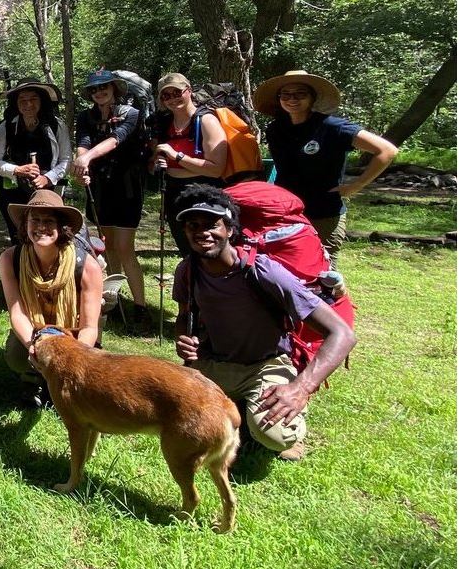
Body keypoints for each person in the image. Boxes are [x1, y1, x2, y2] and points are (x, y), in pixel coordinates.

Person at [172, 185, 355, 461]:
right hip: (213, 364)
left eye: (212, 224)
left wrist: (300, 388)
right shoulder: (188, 270)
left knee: (274, 436)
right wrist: (184, 339)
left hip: (265, 365)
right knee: (175, 418)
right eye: (193, 225)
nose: (202, 232)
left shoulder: (263, 270)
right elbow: (185, 315)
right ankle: (240, 408)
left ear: (231, 230)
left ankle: (268, 415)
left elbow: (342, 333)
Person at [254, 69, 399, 258]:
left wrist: (357, 185)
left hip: (324, 212)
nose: (292, 99)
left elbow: (387, 150)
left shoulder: (332, 127)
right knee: (286, 264)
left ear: (312, 98)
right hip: (287, 210)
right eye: (286, 94)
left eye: (300, 94)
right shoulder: (276, 129)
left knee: (324, 269)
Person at [0, 189, 105, 406]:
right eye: (34, 220)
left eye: (49, 221)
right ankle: (33, 379)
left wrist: (71, 357)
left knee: (78, 376)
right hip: (35, 330)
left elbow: (89, 327)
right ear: (25, 224)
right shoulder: (10, 259)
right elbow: (17, 312)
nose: (40, 227)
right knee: (16, 356)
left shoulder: (87, 267)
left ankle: (64, 381)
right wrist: (34, 346)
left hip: (74, 332)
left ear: (62, 227)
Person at [71, 69, 149, 322]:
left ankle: (140, 307)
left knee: (125, 247)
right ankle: (117, 300)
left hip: (126, 186)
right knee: (109, 245)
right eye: (94, 89)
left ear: (114, 88)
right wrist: (81, 164)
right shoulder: (86, 116)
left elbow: (117, 139)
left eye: (104, 87)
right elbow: (83, 141)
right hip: (99, 186)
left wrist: (86, 158)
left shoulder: (132, 114)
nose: (99, 92)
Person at [148, 72, 227, 255]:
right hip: (174, 192)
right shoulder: (165, 123)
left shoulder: (206, 121)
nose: (172, 99)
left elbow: (216, 169)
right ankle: (191, 282)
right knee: (186, 249)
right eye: (166, 95)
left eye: (177, 92)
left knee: (207, 251)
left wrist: (177, 156)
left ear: (188, 91)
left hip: (204, 193)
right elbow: (154, 163)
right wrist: (158, 161)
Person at [0, 78, 72, 242]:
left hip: (48, 191)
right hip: (13, 192)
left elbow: (66, 159)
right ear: (16, 103)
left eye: (33, 99)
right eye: (23, 100)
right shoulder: (6, 127)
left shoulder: (56, 126)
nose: (28, 104)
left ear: (42, 100)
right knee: (18, 237)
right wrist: (17, 170)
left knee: (47, 236)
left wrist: (47, 178)